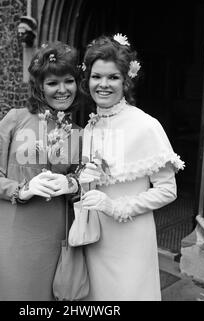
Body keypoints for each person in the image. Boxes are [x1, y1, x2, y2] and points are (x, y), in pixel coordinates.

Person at [78, 34, 185, 300]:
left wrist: (117, 207)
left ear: (126, 81)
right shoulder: (90, 126)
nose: (103, 84)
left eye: (113, 77)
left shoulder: (146, 125)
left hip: (130, 240)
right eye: (96, 76)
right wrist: (81, 179)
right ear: (87, 79)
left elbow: (167, 190)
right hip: (93, 237)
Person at [0, 42, 82, 300]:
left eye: (68, 81)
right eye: (52, 83)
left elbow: (83, 186)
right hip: (17, 234)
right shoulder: (15, 119)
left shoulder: (77, 132)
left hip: (57, 234)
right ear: (39, 86)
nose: (62, 90)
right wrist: (21, 190)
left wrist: (72, 184)